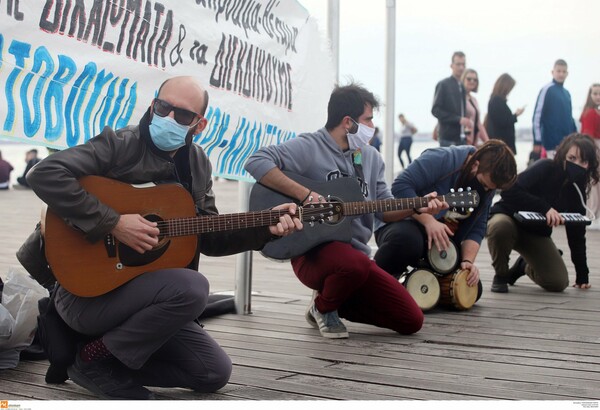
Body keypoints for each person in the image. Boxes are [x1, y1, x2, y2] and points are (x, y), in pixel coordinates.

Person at [22, 76, 302, 399]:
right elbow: (43, 173)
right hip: (83, 294)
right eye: (163, 107)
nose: (169, 118)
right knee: (194, 287)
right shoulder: (120, 145)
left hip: (146, 300)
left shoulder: (197, 164)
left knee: (213, 371)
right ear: (153, 104)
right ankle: (92, 360)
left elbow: (207, 235)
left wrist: (263, 229)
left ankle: (98, 355)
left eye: (182, 115)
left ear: (199, 125)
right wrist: (113, 222)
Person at [244, 82, 446, 339]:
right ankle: (323, 307)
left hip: (357, 259)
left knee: (411, 319)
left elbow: (384, 210)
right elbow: (256, 161)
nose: (372, 127)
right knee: (354, 264)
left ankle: (335, 299)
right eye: (368, 120)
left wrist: (416, 207)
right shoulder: (310, 146)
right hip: (311, 254)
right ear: (348, 122)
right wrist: (305, 194)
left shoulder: (371, 157)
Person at [374, 140, 518, 299]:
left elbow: (477, 228)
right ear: (475, 165)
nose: (486, 191)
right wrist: (429, 221)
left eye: (492, 189)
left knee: (470, 288)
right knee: (408, 240)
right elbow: (400, 187)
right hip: (403, 224)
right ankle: (373, 280)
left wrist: (468, 262)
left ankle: (413, 286)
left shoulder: (488, 185)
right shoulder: (443, 158)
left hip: (441, 243)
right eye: (484, 184)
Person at [486, 133, 599, 293]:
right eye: (572, 158)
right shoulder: (545, 167)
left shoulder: (577, 189)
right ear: (563, 155)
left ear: (590, 165)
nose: (577, 164)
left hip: (536, 233)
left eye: (583, 161)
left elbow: (576, 232)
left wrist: (582, 274)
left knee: (558, 282)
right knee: (499, 227)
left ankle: (524, 265)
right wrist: (544, 208)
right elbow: (509, 190)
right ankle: (501, 275)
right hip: (509, 219)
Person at [532, 59, 577, 159]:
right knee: (554, 173)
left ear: (567, 73)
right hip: (551, 144)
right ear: (553, 72)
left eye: (564, 71)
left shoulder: (567, 93)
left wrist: (576, 136)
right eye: (558, 71)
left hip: (567, 144)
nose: (561, 74)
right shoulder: (547, 89)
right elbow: (537, 116)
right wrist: (537, 140)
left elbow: (569, 117)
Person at [431, 51, 473, 147]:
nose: (461, 67)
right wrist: (458, 119)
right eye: (458, 64)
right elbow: (435, 110)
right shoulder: (443, 84)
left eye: (463, 64)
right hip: (448, 139)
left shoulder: (462, 86)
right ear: (451, 65)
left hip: (462, 139)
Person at [486, 73, 525, 155]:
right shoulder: (496, 101)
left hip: (502, 145)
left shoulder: (496, 101)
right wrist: (515, 115)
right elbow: (502, 122)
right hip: (502, 146)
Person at [580, 83, 600, 230]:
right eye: (595, 93)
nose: (598, 97)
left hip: (596, 147)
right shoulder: (590, 113)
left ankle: (594, 215)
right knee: (593, 183)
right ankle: (592, 216)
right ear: (590, 95)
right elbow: (588, 136)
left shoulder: (595, 112)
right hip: (594, 148)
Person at [461, 69, 489, 146]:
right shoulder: (459, 98)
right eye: (469, 79)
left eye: (475, 80)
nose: (472, 81)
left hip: (473, 141)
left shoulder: (474, 100)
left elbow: (478, 123)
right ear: (463, 79)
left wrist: (488, 142)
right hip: (462, 141)